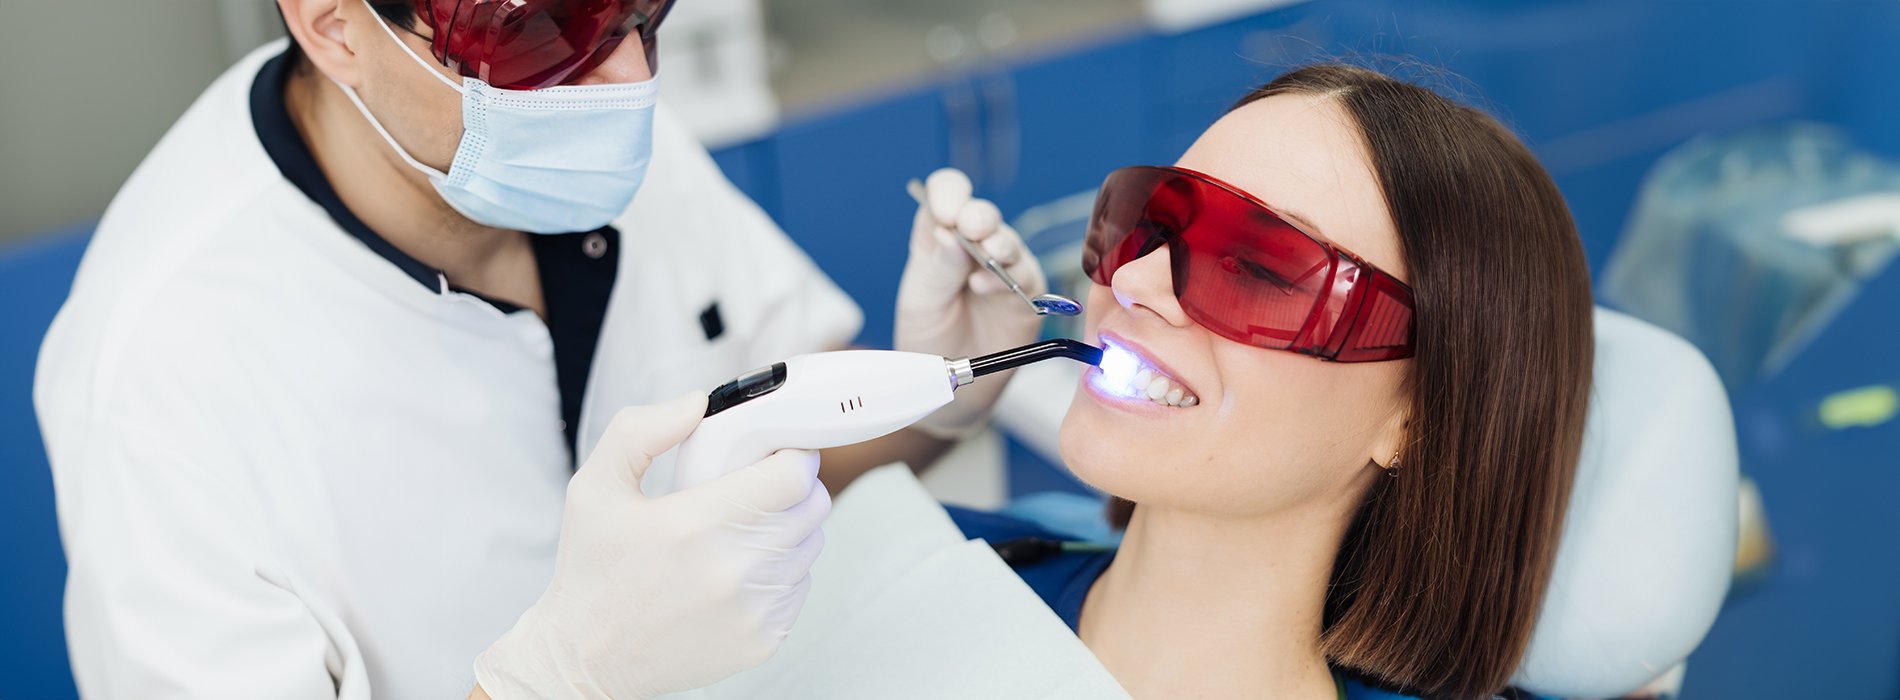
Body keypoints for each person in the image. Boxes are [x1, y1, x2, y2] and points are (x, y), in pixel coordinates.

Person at [32, 0, 1045, 697]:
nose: (626, 81)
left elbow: (782, 462)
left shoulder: (592, 125)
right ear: (336, 27)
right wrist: (552, 679)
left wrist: (939, 401)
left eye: (643, 13)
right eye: (540, 28)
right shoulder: (160, 383)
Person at [911, 63, 1595, 700]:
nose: (1131, 281)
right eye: (1149, 223)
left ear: (1418, 417)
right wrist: (917, 409)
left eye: (1260, 269)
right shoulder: (925, 559)